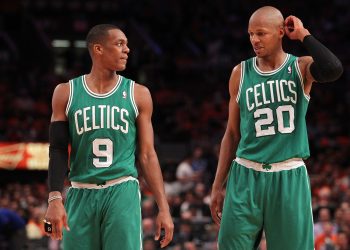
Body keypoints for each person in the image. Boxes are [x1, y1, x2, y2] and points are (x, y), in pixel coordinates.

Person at [210, 6, 343, 250]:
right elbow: (231, 134)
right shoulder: (240, 73)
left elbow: (333, 68)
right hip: (245, 174)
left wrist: (304, 34)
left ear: (281, 32)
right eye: (250, 34)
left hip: (288, 174)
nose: (254, 40)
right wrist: (218, 185)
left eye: (261, 33)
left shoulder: (300, 68)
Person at [44, 24, 174, 249]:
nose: (127, 50)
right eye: (119, 44)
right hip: (80, 190)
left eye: (126, 44)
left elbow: (147, 154)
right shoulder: (65, 92)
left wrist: (164, 208)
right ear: (98, 49)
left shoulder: (139, 94)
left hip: (121, 189)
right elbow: (56, 149)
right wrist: (55, 197)